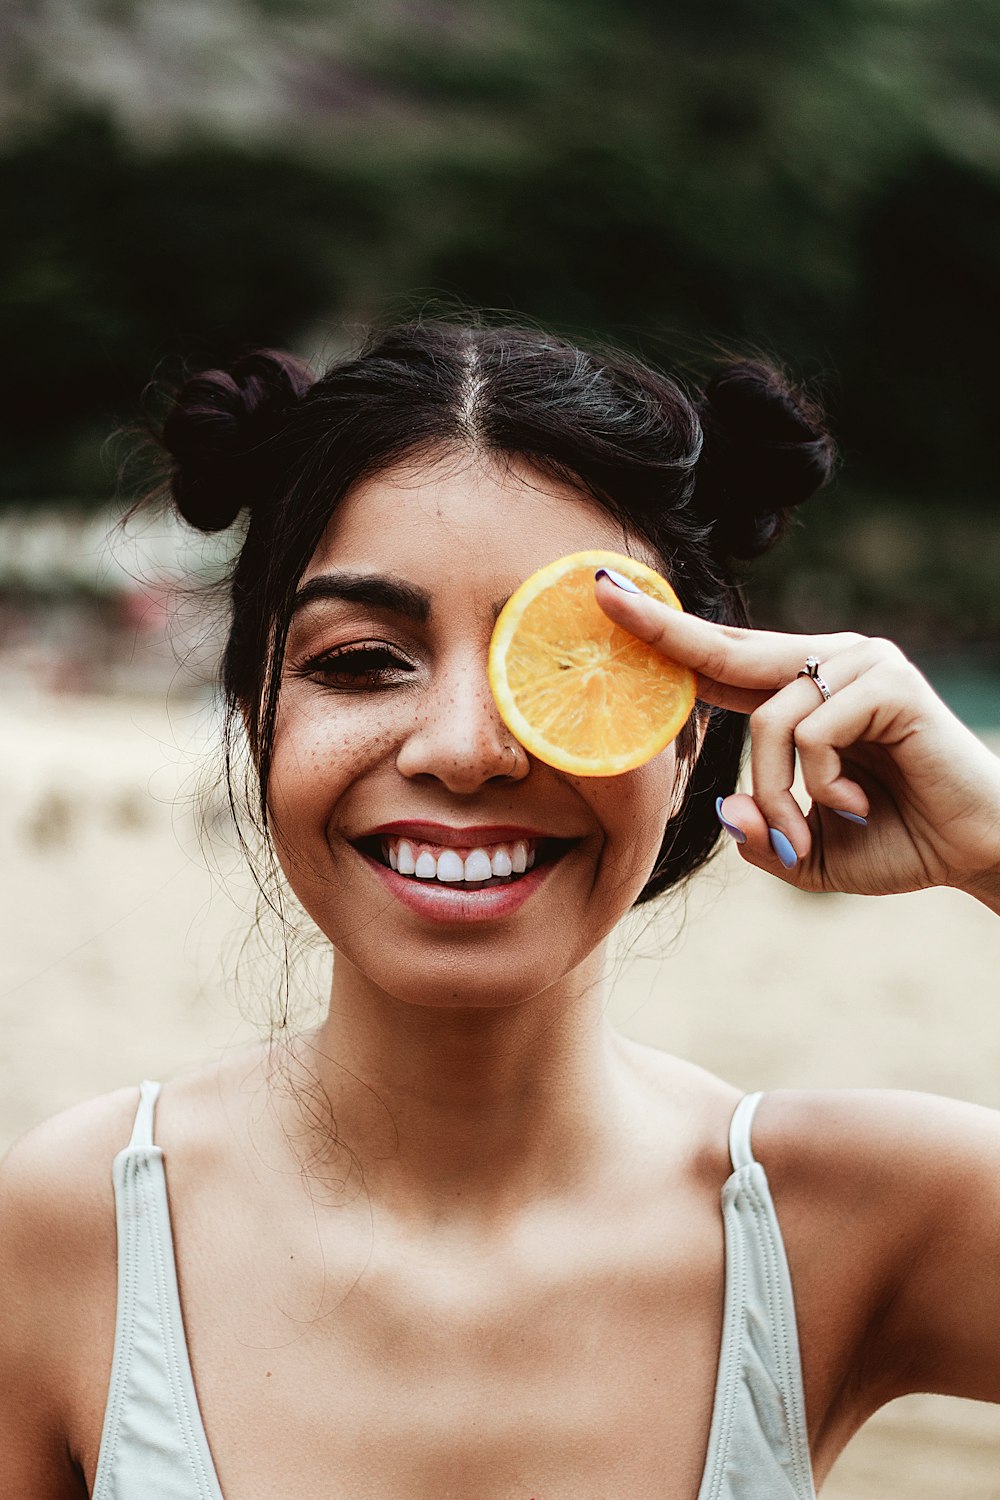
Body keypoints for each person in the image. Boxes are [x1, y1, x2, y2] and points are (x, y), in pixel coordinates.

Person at [2, 318, 999, 1500]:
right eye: (362, 660)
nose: (467, 751)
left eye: (579, 663)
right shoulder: (70, 1234)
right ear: (256, 711)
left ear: (690, 729)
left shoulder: (853, 1218)